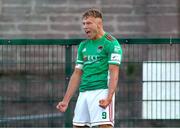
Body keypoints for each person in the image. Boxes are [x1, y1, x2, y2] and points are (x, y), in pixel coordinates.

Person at [56, 8, 123, 128]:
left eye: (88, 23)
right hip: (84, 93)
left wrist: (109, 97)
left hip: (101, 91)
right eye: (83, 24)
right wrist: (65, 101)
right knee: (78, 126)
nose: (85, 27)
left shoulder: (112, 43)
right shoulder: (83, 45)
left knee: (104, 126)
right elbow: (77, 74)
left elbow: (114, 73)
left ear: (99, 24)